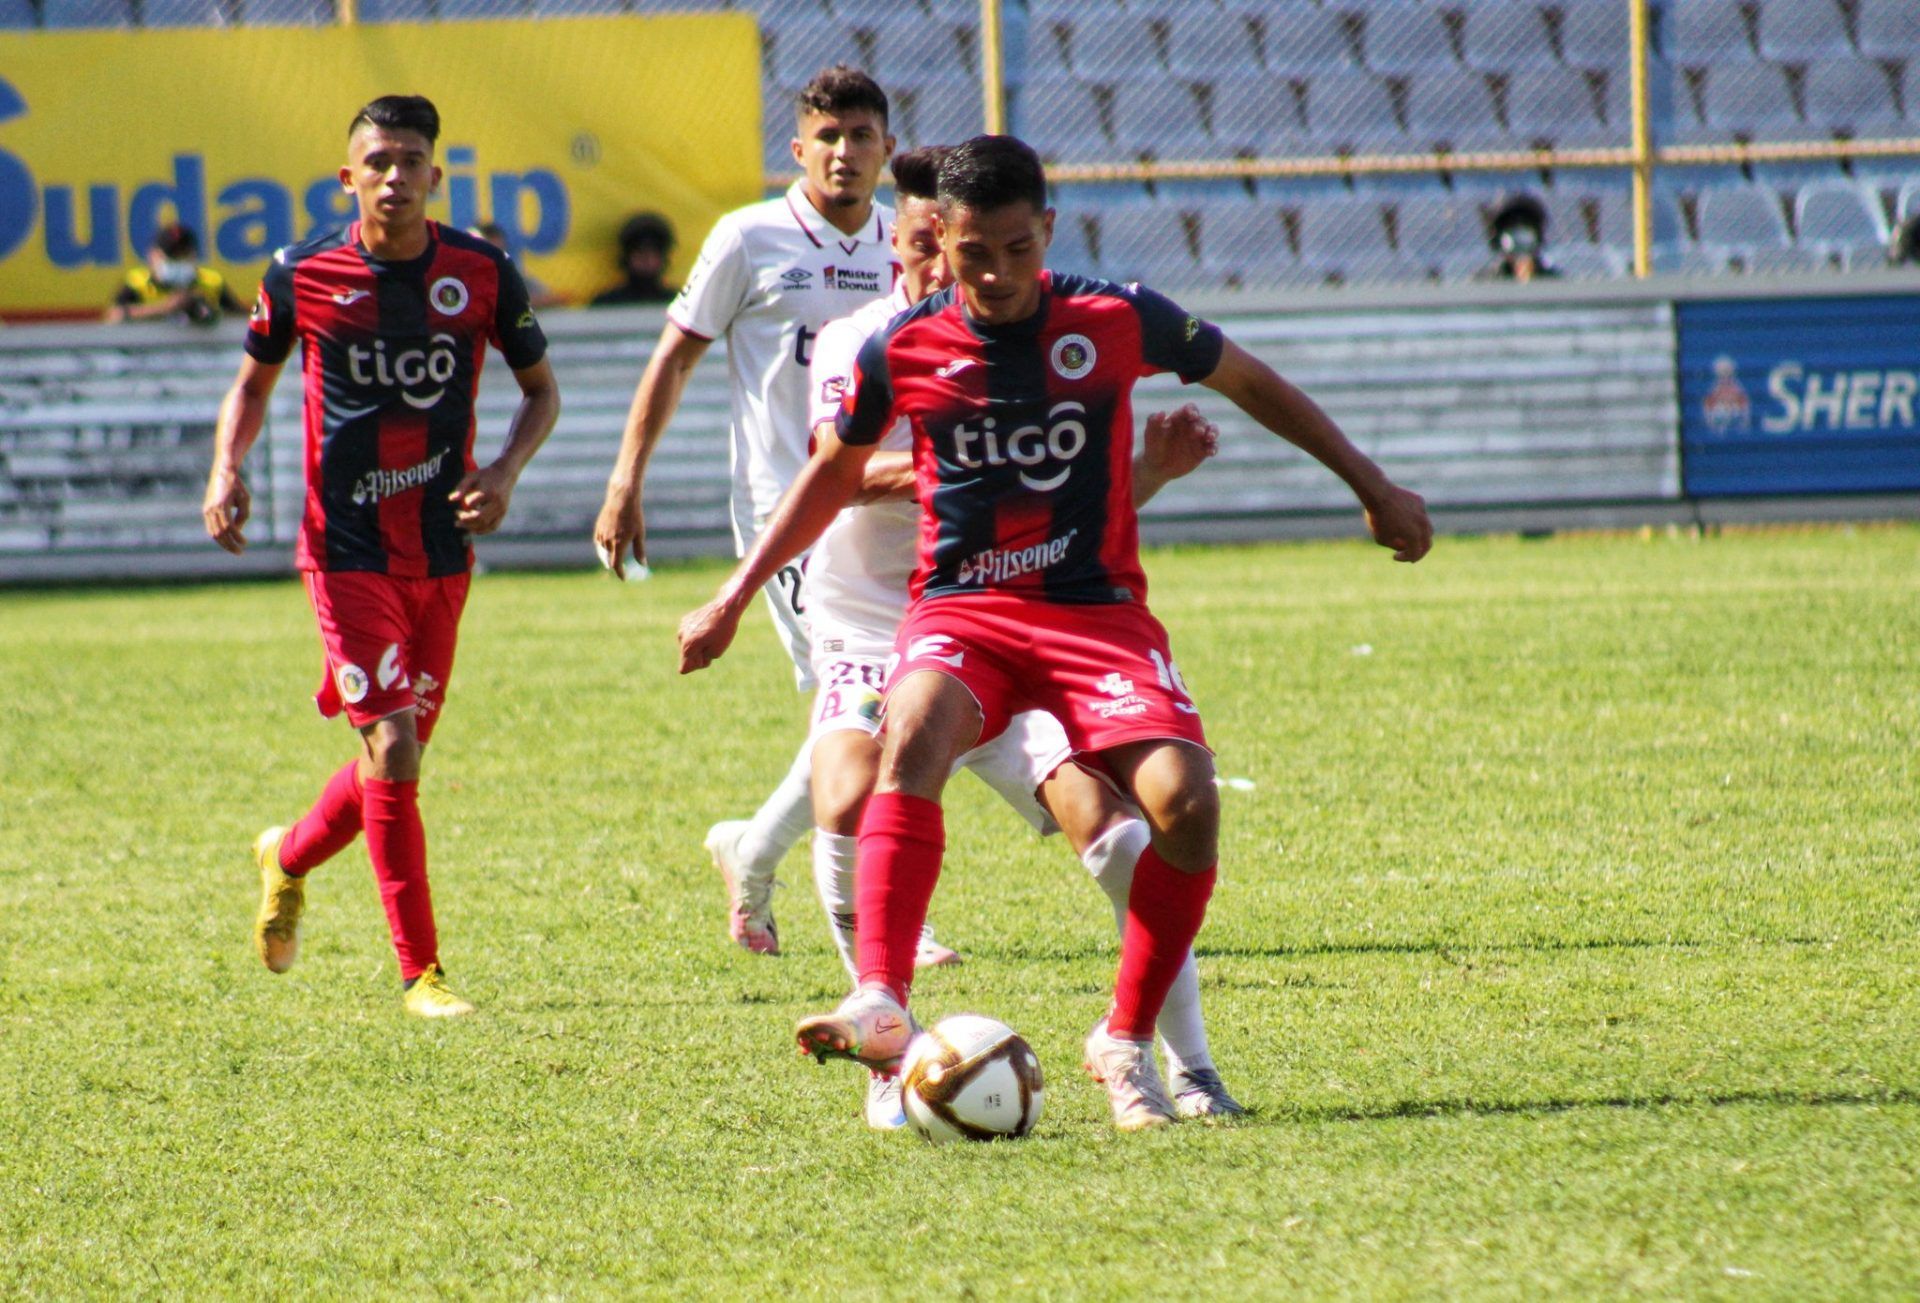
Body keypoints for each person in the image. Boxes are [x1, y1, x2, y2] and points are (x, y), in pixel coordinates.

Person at [678, 134, 1432, 1131]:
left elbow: (1251, 381)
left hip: (1092, 612)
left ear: (1049, 233)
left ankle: (1125, 1038)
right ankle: (883, 997)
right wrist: (734, 596)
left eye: (1016, 250)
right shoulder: (896, 347)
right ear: (936, 239)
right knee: (911, 733)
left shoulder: (1117, 317)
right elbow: (829, 473)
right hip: (964, 613)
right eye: (972, 252)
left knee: (1185, 803)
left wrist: (1372, 486)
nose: (993, 275)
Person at [804, 146, 1243, 1129]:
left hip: (1044, 618)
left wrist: (1147, 472)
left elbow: (1059, 493)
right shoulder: (864, 346)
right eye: (940, 250)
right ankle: (881, 1019)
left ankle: (1175, 1057)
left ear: (1041, 233)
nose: (964, 271)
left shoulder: (1071, 324)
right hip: (892, 622)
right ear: (908, 246)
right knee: (862, 775)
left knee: (1139, 818)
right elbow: (838, 474)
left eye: (996, 249)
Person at [201, 94, 560, 1017]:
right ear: (348, 175)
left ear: (437, 176)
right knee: (394, 750)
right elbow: (251, 382)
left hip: (442, 547)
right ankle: (422, 974)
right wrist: (225, 468)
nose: (394, 177)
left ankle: (284, 855)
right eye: (379, 161)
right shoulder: (301, 271)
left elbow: (539, 392)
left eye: (411, 161)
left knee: (387, 766)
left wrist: (506, 471)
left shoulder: (482, 271)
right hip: (346, 547)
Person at [595, 66, 932, 961]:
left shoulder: (910, 244)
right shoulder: (749, 238)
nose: (845, 153)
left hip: (887, 512)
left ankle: (754, 845)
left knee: (894, 696)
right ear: (799, 148)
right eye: (828, 136)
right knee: (869, 701)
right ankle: (881, 894)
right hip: (787, 515)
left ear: (887, 150)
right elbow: (674, 357)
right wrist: (628, 478)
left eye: (862, 136)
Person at [105, 221, 246, 325]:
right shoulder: (137, 283)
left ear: (194, 256)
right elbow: (113, 317)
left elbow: (242, 320)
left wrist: (209, 311)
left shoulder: (211, 282)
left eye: (183, 255)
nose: (178, 261)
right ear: (153, 255)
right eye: (171, 256)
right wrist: (165, 308)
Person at [469, 221, 569, 309]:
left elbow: (548, 296)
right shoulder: (464, 277)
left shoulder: (511, 276)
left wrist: (553, 299)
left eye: (499, 251)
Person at [589, 212, 678, 306]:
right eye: (640, 253)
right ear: (626, 258)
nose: (646, 260)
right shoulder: (606, 304)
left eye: (653, 254)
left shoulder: (679, 304)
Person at [1479, 192, 1561, 283]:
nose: (1519, 237)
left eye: (1526, 225)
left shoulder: (1553, 281)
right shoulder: (1487, 281)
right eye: (1511, 226)